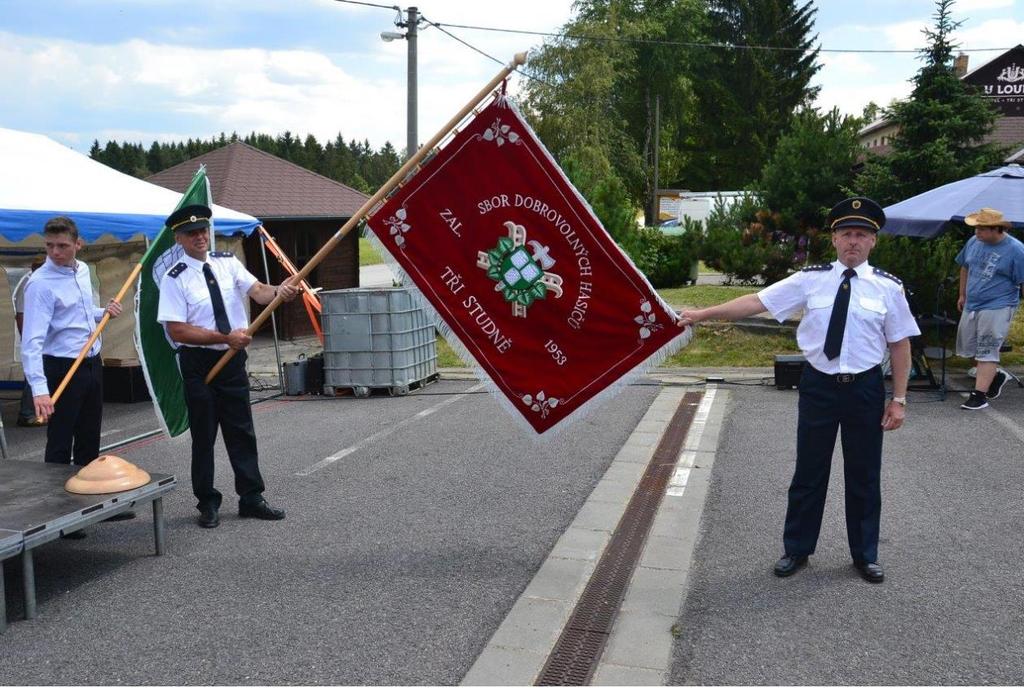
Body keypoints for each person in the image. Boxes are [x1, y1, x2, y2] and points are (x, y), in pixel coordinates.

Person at [677, 197, 920, 584]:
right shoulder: (811, 279)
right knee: (809, 471)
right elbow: (757, 301)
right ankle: (797, 549)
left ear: (873, 241)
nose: (853, 241)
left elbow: (900, 344)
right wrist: (703, 314)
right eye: (846, 234)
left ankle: (865, 554)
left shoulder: (888, 288)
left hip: (865, 389)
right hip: (819, 386)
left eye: (861, 235)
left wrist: (900, 400)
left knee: (863, 474)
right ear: (834, 239)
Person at [156, 204, 299, 529]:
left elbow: (259, 291)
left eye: (203, 230)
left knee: (241, 431)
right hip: (199, 363)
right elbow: (176, 330)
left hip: (233, 360)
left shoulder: (227, 263)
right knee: (204, 436)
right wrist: (224, 337)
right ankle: (207, 501)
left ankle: (252, 497)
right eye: (191, 233)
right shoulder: (174, 278)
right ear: (179, 238)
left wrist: (280, 291)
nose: (200, 237)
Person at [21, 216, 123, 464]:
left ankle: (86, 496)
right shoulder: (40, 284)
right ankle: (56, 501)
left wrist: (103, 312)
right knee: (60, 440)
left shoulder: (83, 270)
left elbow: (79, 311)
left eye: (62, 246)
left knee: (89, 437)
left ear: (78, 244)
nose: (55, 252)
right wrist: (40, 390)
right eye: (49, 245)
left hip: (91, 361)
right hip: (62, 366)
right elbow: (31, 343)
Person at [953, 208, 1024, 410]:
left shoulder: (1016, 250)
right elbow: (965, 266)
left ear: (997, 229)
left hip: (998, 305)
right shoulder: (974, 242)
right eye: (976, 228)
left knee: (987, 349)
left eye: (982, 229)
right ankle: (996, 375)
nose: (977, 232)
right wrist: (962, 294)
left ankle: (979, 396)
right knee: (968, 347)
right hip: (973, 303)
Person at [14, 254, 47, 427]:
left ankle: (40, 410)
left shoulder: (41, 284)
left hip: (44, 339)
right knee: (33, 376)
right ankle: (26, 413)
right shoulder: (29, 285)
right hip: (35, 339)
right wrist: (26, 337)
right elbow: (20, 315)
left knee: (41, 374)